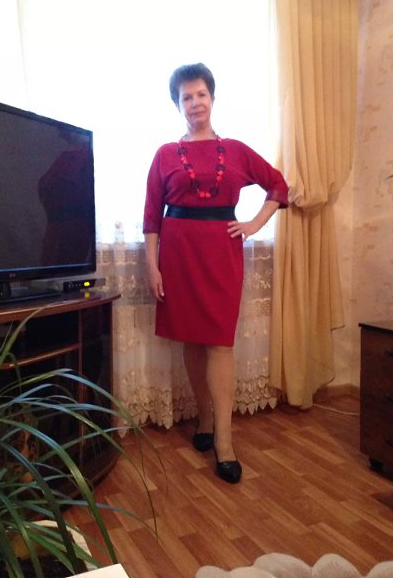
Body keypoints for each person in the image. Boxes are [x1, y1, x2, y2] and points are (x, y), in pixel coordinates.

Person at [143, 63, 288, 483]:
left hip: (221, 255)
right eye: (186, 97)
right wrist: (152, 266)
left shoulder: (236, 150)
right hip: (178, 256)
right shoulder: (164, 154)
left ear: (212, 97)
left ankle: (224, 440)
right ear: (178, 104)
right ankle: (204, 418)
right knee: (191, 339)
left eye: (201, 94)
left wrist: (255, 224)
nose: (195, 103)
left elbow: (278, 186)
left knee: (220, 343)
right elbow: (151, 217)